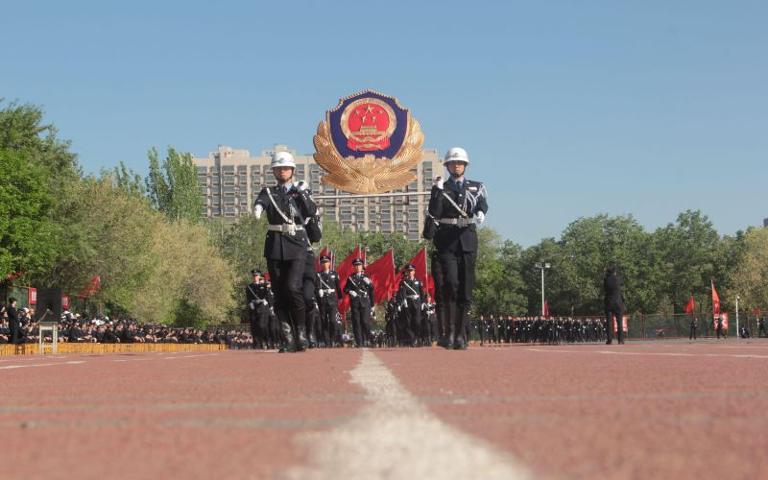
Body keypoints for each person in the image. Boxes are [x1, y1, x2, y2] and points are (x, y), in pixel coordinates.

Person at [254, 151, 318, 353]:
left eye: (286, 168)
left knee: (292, 287)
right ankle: (288, 337)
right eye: (278, 168)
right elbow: (261, 202)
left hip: (297, 244)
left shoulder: (300, 191)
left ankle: (301, 332)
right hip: (274, 244)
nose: (282, 171)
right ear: (274, 171)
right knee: (280, 293)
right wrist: (257, 208)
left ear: (292, 170)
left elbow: (310, 211)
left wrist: (302, 194)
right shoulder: (269, 192)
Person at [427, 147, 488, 349]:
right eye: (453, 163)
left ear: (465, 166)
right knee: (451, 285)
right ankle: (450, 333)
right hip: (447, 240)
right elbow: (434, 212)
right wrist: (436, 191)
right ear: (447, 166)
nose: (457, 165)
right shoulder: (441, 187)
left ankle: (461, 334)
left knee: (465, 289)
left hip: (467, 239)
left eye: (460, 163)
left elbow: (481, 203)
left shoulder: (476, 187)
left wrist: (480, 212)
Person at [343, 258, 374, 347]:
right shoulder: (351, 278)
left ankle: (370, 338)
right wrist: (350, 292)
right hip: (355, 303)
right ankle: (359, 342)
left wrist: (369, 283)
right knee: (356, 322)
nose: (357, 267)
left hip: (365, 302)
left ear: (362, 266)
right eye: (356, 265)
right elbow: (345, 289)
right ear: (354, 267)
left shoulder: (366, 277)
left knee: (365, 322)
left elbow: (372, 289)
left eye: (359, 265)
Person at [396, 264, 426, 347]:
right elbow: (402, 293)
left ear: (414, 271)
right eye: (408, 271)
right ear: (406, 272)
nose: (410, 272)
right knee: (408, 322)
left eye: (411, 270)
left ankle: (416, 337)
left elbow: (422, 293)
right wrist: (402, 301)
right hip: (408, 303)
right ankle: (412, 339)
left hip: (417, 302)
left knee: (417, 322)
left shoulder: (418, 281)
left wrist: (423, 302)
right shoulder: (403, 282)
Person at [316, 255, 341, 347]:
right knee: (323, 320)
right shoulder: (318, 275)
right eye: (322, 262)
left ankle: (333, 338)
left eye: (326, 262)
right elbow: (316, 286)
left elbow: (338, 287)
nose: (324, 264)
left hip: (332, 300)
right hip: (322, 300)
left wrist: (340, 298)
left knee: (333, 321)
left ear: (329, 263)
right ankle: (327, 342)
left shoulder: (334, 274)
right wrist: (319, 290)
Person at [246, 270, 271, 349]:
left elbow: (268, 295)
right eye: (254, 276)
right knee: (254, 326)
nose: (255, 277)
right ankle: (256, 344)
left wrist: (268, 303)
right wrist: (251, 304)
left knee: (262, 325)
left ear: (259, 276)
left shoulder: (264, 285)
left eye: (256, 276)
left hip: (262, 306)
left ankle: (266, 341)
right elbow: (248, 297)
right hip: (253, 306)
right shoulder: (249, 286)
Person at [603, 266, 625, 345]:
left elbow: (605, 289)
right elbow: (622, 283)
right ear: (614, 272)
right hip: (618, 302)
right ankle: (620, 340)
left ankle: (609, 339)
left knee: (609, 322)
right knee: (619, 322)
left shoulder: (606, 279)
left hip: (609, 302)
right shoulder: (618, 278)